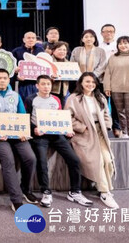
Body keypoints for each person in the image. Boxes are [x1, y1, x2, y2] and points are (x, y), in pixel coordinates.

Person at [25, 75, 92, 208]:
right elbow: (26, 118)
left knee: (74, 160)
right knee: (42, 162)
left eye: (48, 84)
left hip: (56, 135)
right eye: (43, 84)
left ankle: (75, 192)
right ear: (37, 86)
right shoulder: (30, 99)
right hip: (40, 136)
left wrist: (67, 129)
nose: (46, 87)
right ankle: (46, 192)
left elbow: (61, 117)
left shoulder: (56, 99)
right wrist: (34, 129)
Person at [0, 68, 37, 212]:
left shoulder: (15, 95)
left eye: (5, 78)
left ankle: (26, 189)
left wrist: (24, 131)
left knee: (30, 158)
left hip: (17, 134)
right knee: (8, 160)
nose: (2, 80)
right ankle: (16, 199)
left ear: (9, 79)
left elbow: (22, 114)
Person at [65, 72, 119, 209]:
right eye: (87, 82)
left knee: (107, 159)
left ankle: (105, 187)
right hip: (84, 134)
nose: (90, 84)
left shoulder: (99, 96)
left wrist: (107, 125)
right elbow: (67, 117)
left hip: (100, 132)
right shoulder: (74, 98)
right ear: (81, 83)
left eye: (93, 82)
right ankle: (105, 191)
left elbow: (107, 113)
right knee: (97, 160)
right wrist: (81, 128)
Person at [104, 36, 129, 138]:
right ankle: (124, 134)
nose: (123, 45)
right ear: (117, 45)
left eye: (125, 43)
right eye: (120, 43)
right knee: (120, 113)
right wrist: (107, 87)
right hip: (116, 89)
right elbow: (108, 73)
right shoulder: (113, 58)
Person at [12, 31, 44, 101]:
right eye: (28, 38)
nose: (31, 40)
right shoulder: (16, 51)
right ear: (24, 40)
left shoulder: (41, 51)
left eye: (33, 38)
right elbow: (11, 68)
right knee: (25, 104)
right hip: (23, 84)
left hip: (38, 84)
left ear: (36, 40)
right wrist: (16, 76)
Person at [50, 41, 71, 106]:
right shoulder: (48, 61)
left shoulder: (69, 64)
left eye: (64, 50)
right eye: (59, 49)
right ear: (53, 51)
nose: (62, 51)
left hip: (64, 92)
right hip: (51, 91)